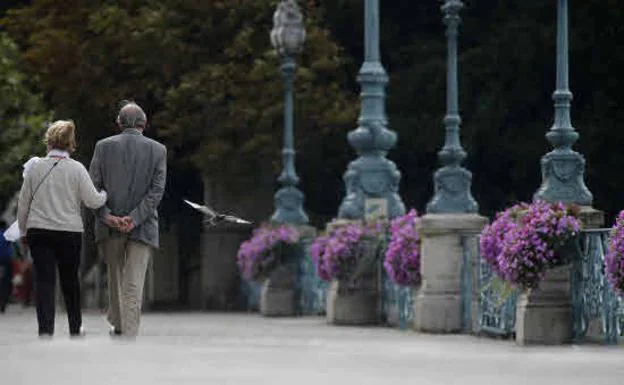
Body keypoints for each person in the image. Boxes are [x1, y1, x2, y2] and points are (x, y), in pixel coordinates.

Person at [17, 120, 108, 338]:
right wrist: (105, 194)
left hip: (39, 231)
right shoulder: (76, 169)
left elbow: (23, 203)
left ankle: (45, 329)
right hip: (69, 233)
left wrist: (23, 232)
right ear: (70, 144)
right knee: (70, 280)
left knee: (45, 281)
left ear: (49, 141)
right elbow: (93, 201)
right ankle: (75, 327)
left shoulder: (35, 167)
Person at [89, 101, 166, 338]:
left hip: (109, 226)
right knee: (134, 281)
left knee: (115, 277)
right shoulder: (158, 150)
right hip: (143, 227)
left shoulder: (103, 147)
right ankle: (129, 330)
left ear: (118, 123)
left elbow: (92, 187)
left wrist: (107, 216)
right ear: (144, 124)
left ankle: (120, 324)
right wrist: (134, 219)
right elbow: (157, 191)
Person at [0, 220, 15, 313]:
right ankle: (3, 302)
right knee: (5, 281)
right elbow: (14, 247)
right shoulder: (7, 234)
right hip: (6, 261)